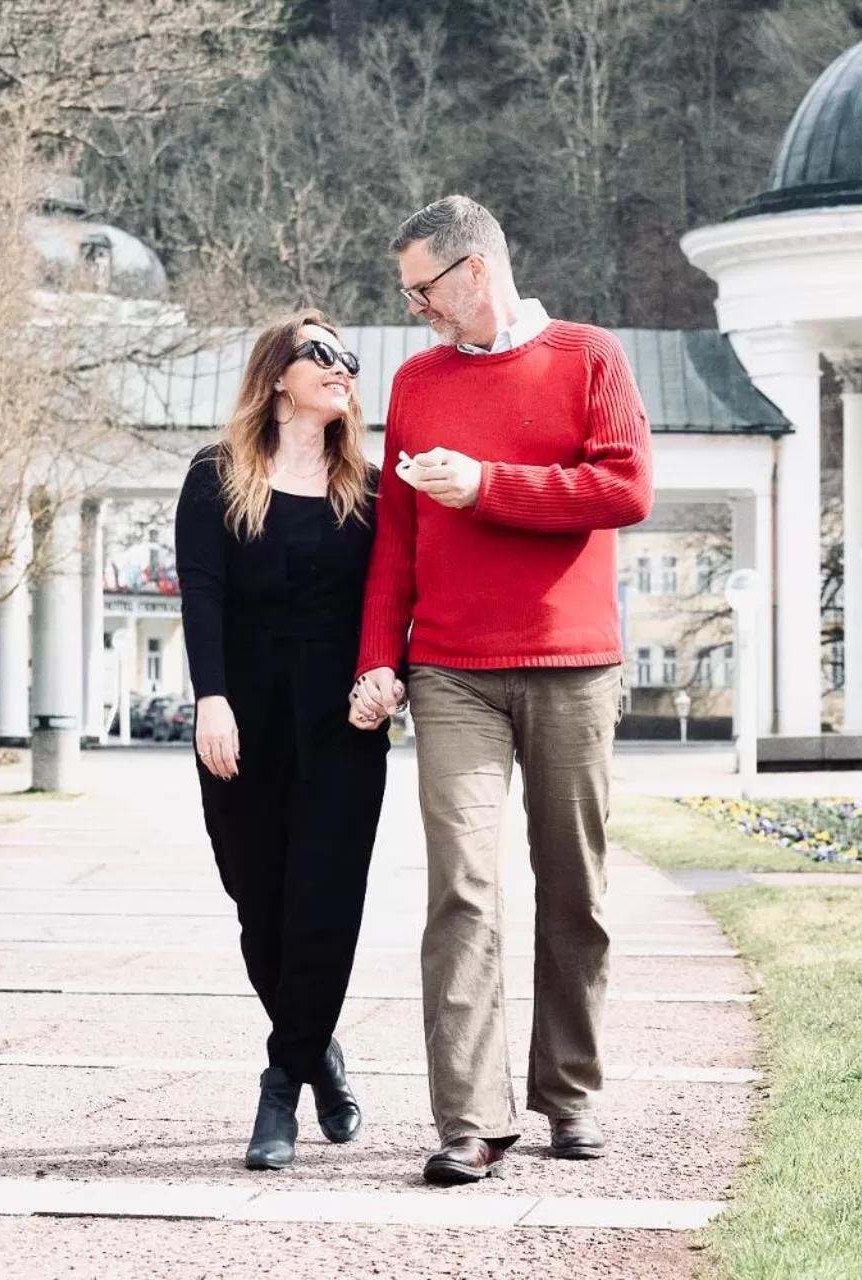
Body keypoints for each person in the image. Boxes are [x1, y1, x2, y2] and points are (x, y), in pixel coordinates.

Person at [349, 195, 652, 1186]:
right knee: (462, 891)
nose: (416, 306)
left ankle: (568, 1094)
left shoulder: (591, 358)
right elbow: (394, 535)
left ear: (475, 271)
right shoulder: (417, 381)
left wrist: (487, 487)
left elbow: (624, 489)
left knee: (576, 891)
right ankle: (471, 1119)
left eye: (422, 287)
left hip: (573, 663)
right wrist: (377, 656)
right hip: (450, 671)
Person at [175, 310, 390, 1171]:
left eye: (347, 357)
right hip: (245, 717)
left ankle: (279, 1085)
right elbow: (202, 597)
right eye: (321, 354)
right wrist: (211, 699)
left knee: (324, 903)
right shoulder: (217, 475)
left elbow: (393, 598)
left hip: (342, 724)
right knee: (258, 900)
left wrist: (388, 671)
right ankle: (319, 1055)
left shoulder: (370, 490)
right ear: (275, 377)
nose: (342, 367)